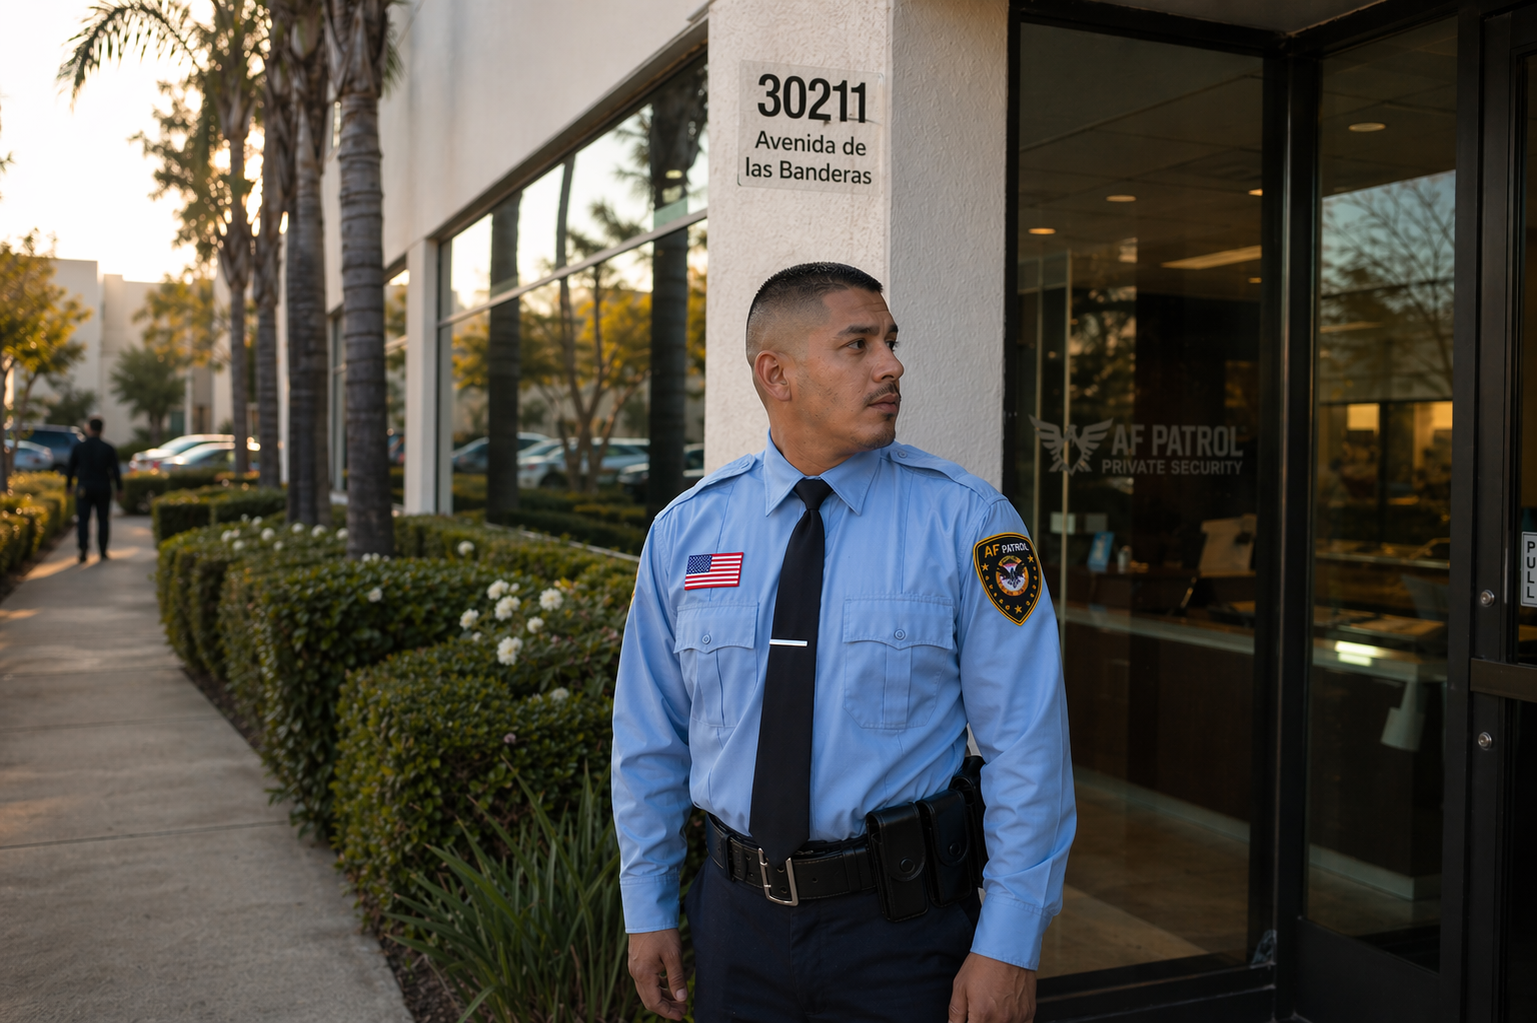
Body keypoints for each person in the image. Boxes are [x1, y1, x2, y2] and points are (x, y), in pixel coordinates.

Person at [613, 263, 1075, 1023]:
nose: (890, 365)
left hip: (904, 932)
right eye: (856, 344)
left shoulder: (968, 522)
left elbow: (1028, 748)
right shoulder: (687, 531)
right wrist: (648, 905)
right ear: (777, 374)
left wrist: (1010, 942)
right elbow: (648, 738)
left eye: (889, 342)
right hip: (735, 925)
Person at [65, 418, 122, 563]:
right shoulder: (108, 448)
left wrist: (68, 486)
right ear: (102, 429)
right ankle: (102, 551)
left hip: (84, 487)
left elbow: (70, 468)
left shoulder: (79, 447)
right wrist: (120, 489)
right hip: (103, 487)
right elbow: (116, 471)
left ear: (89, 428)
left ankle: (83, 548)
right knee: (103, 520)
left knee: (83, 519)